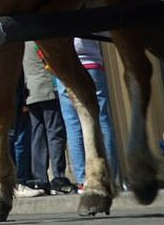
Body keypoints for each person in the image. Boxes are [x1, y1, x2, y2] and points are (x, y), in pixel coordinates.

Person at [56, 37, 119, 189]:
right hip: (92, 62)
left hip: (63, 66)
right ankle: (109, 176)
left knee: (73, 124)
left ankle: (82, 179)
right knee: (102, 119)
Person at [22, 44, 71, 194]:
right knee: (55, 133)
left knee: (37, 136)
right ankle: (58, 176)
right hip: (48, 88)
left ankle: (40, 178)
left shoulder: (23, 43)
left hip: (31, 92)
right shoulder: (40, 41)